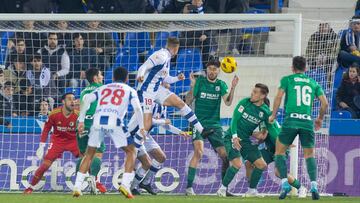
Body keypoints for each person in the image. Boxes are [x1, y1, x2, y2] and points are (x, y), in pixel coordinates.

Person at [73, 67, 145, 199]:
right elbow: (138, 109)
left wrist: (82, 120)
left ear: (113, 78)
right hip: (115, 121)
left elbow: (87, 100)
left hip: (97, 121)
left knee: (89, 155)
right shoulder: (130, 90)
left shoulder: (103, 88)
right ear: (127, 79)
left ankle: (77, 187)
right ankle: (125, 184)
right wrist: (142, 127)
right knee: (131, 151)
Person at [269, 56, 329, 200]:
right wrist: (319, 119)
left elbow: (278, 97)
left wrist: (273, 115)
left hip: (291, 120)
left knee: (279, 152)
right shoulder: (313, 82)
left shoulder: (287, 79)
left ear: (292, 67)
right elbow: (325, 103)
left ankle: (284, 183)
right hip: (307, 122)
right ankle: (314, 186)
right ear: (305, 68)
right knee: (309, 155)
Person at [137, 37, 213, 145]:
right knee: (146, 125)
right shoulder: (161, 56)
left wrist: (177, 78)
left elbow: (166, 78)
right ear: (176, 49)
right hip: (146, 91)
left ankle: (202, 130)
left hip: (157, 89)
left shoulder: (167, 59)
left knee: (179, 102)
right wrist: (140, 75)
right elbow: (143, 66)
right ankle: (136, 145)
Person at [184, 60, 238, 196]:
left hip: (215, 125)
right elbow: (188, 102)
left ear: (219, 71)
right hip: (199, 124)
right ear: (206, 70)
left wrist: (232, 87)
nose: (212, 71)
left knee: (225, 156)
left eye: (215, 69)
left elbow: (228, 102)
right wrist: (192, 86)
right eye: (210, 69)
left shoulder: (221, 85)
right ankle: (189, 188)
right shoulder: (200, 82)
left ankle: (223, 190)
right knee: (199, 152)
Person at [216, 83, 271, 197]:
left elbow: (268, 127)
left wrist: (267, 133)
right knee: (237, 163)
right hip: (231, 136)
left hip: (245, 140)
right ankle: (222, 189)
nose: (252, 93)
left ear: (262, 96)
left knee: (261, 165)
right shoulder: (245, 102)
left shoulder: (265, 111)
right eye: (253, 90)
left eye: (255, 92)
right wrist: (235, 137)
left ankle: (252, 191)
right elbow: (234, 120)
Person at [244, 99, 307, 197]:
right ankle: (252, 189)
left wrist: (249, 132)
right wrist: (258, 142)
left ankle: (302, 188)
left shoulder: (266, 118)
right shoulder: (264, 118)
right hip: (270, 149)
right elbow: (265, 136)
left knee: (278, 173)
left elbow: (265, 135)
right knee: (250, 162)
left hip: (280, 149)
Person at [129, 101, 190, 195]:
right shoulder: (148, 103)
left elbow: (164, 124)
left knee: (161, 157)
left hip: (146, 135)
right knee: (147, 163)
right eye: (165, 89)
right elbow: (148, 121)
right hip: (134, 135)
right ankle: (132, 188)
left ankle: (145, 183)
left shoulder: (163, 107)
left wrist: (180, 132)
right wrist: (164, 120)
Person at [23, 93, 80, 194]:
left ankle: (96, 182)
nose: (73, 101)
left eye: (74, 99)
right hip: (57, 141)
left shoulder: (78, 114)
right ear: (63, 102)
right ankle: (30, 187)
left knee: (85, 159)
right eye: (70, 99)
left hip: (73, 141)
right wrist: (41, 146)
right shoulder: (54, 113)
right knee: (45, 165)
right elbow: (46, 129)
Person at [75, 67, 107, 194]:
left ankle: (79, 183)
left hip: (81, 124)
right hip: (95, 124)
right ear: (95, 78)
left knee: (84, 156)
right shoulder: (102, 89)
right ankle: (94, 178)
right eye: (100, 74)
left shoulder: (83, 91)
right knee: (97, 154)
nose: (102, 76)